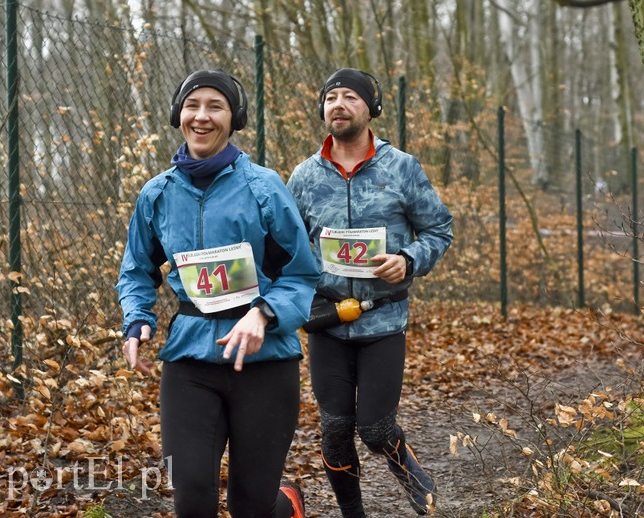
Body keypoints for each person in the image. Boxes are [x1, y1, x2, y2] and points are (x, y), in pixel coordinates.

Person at [116, 68, 317, 518]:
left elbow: (303, 273)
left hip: (265, 364)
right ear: (178, 115)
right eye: (192, 106)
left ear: (234, 118)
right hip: (189, 361)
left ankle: (285, 505)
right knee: (192, 500)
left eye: (215, 106)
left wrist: (263, 313)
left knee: (252, 506)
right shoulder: (157, 195)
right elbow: (136, 270)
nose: (201, 117)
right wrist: (138, 319)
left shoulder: (264, 188)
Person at [286, 68, 453, 517]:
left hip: (383, 319)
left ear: (370, 108)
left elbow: (439, 229)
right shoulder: (304, 176)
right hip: (326, 321)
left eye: (350, 97)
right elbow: (285, 245)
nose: (338, 104)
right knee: (336, 430)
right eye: (331, 97)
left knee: (376, 429)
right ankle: (353, 514)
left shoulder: (402, 167)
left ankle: (414, 475)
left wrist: (410, 260)